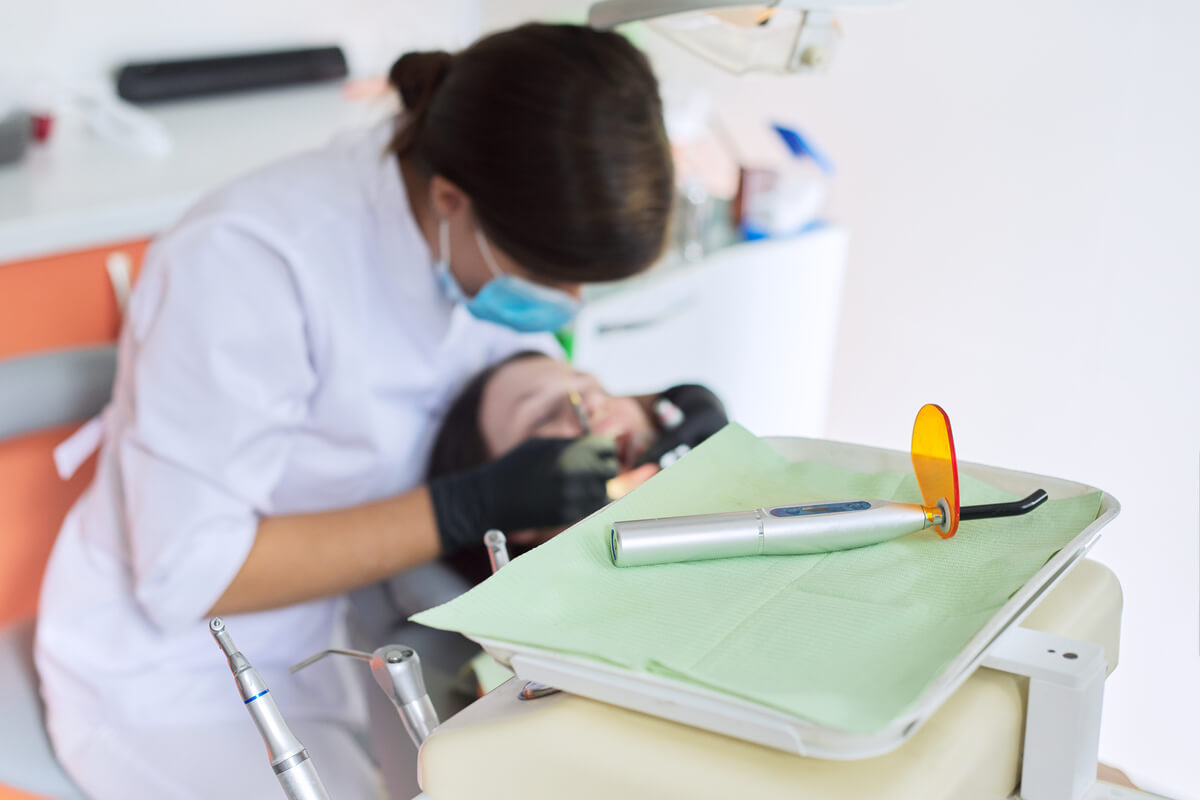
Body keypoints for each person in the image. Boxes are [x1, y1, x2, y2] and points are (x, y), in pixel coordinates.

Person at [35, 24, 675, 799]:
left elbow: (509, 375)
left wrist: (646, 418)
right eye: (550, 276)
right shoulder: (249, 261)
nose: (564, 306)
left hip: (351, 629)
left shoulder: (471, 232)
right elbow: (185, 576)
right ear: (451, 201)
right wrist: (470, 505)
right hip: (180, 670)